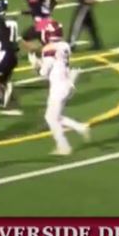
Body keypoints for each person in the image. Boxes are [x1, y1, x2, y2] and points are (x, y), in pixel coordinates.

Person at [38, 20, 91, 155]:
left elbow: (44, 72)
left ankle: (64, 147)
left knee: (51, 118)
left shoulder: (48, 49)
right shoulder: (64, 45)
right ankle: (81, 127)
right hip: (68, 83)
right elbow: (58, 62)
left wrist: (36, 64)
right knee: (55, 116)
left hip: (58, 88)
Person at [17, 0, 57, 65]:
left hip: (42, 23)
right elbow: (54, 1)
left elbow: (35, 8)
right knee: (46, 43)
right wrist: (46, 12)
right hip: (46, 20)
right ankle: (46, 55)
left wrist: (28, 12)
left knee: (22, 38)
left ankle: (38, 54)